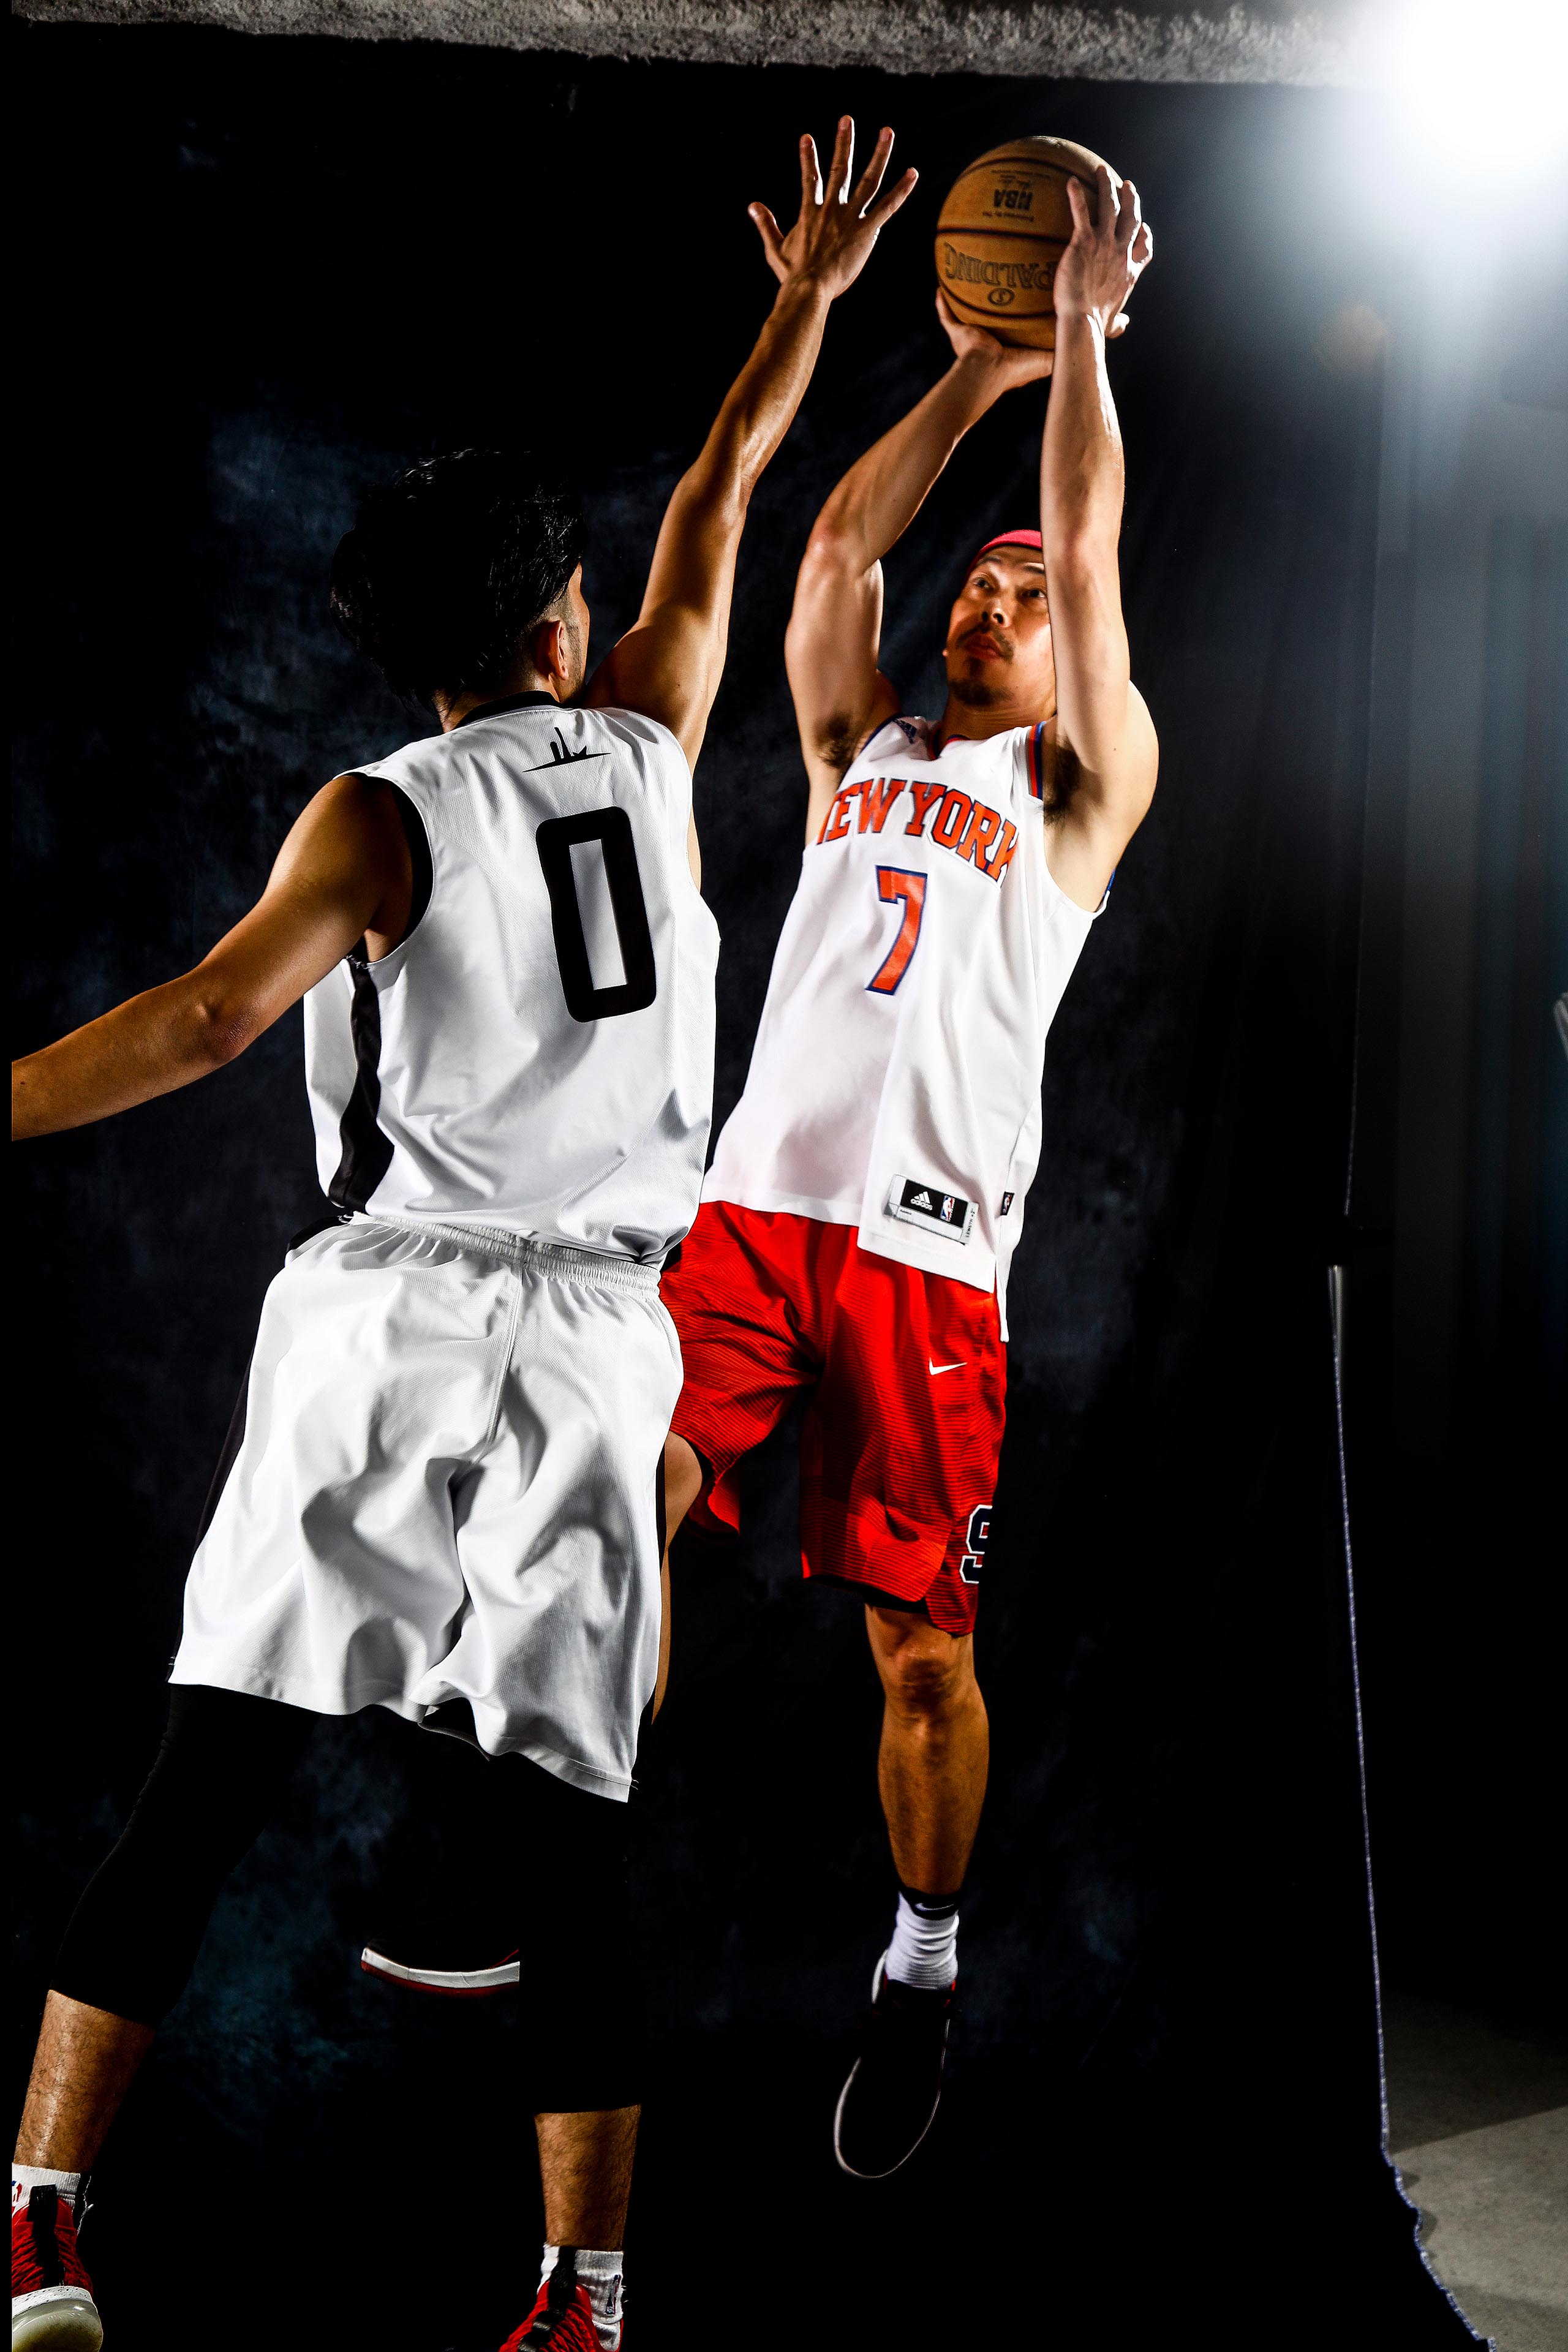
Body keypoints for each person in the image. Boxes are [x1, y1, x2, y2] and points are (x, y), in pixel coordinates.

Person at [9, 118, 914, 2352]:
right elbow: (723, 497)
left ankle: (41, 2227)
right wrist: (803, 301)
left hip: (398, 1315)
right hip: (605, 1340)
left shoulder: (376, 814)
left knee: (208, 1774)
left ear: (415, 656)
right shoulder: (650, 735)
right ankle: (581, 2297)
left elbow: (209, 1019)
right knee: (567, 1839)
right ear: (557, 625)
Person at [658, 160, 1157, 2180]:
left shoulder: (1081, 797)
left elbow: (1092, 544)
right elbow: (837, 547)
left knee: (921, 1659)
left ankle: (922, 1964)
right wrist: (968, 371)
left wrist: (1080, 337)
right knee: (620, 1491)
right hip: (754, 1215)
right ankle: (552, 1826)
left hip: (932, 1264)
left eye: (1022, 603)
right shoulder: (857, 752)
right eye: (983, 587)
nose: (991, 602)